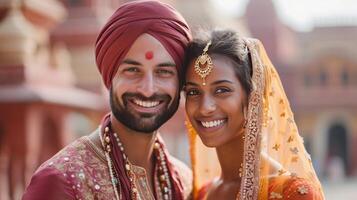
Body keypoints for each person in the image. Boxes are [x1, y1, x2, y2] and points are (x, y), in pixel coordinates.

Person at [22, 1, 192, 199]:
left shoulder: (184, 181)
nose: (148, 89)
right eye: (132, 70)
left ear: (180, 81)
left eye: (164, 72)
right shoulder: (62, 181)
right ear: (109, 76)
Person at [183, 30, 324, 200]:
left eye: (222, 90)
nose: (205, 108)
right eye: (193, 92)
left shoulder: (293, 193)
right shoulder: (203, 193)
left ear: (253, 98)